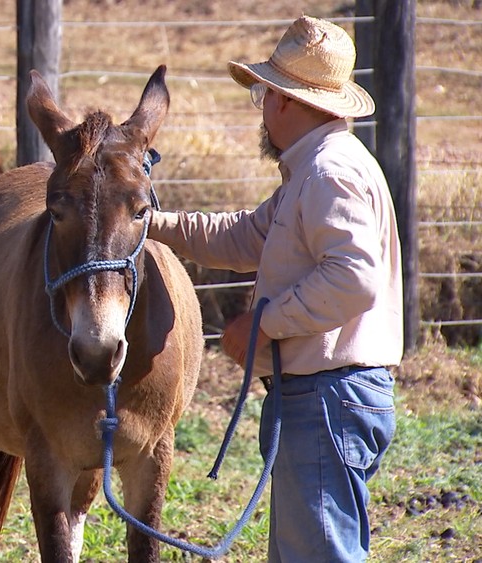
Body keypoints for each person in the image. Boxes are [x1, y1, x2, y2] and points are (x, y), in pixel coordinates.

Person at [146, 15, 402, 562]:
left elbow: (354, 279)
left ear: (286, 102)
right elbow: (246, 236)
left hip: (325, 397)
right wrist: (153, 223)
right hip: (324, 397)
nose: (260, 107)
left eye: (262, 93)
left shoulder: (328, 175)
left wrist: (264, 322)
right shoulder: (316, 171)